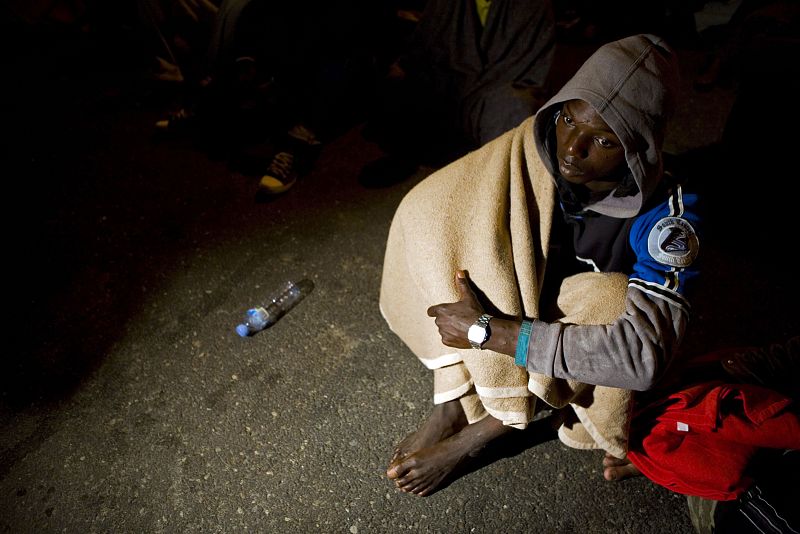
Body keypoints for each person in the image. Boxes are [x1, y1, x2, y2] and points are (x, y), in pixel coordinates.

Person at [379, 34, 700, 496]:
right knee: (456, 221)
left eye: (603, 140)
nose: (572, 148)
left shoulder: (667, 218)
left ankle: (488, 429)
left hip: (570, 317)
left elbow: (641, 355)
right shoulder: (536, 146)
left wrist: (486, 332)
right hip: (528, 296)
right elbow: (443, 206)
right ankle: (452, 398)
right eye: (569, 119)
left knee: (609, 298)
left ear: (639, 148)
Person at [359, 0, 556, 187]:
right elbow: (426, 43)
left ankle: (495, 182)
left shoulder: (535, 5)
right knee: (398, 84)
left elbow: (528, 67)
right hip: (448, 77)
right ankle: (405, 157)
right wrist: (405, 67)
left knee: (515, 108)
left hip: (495, 86)